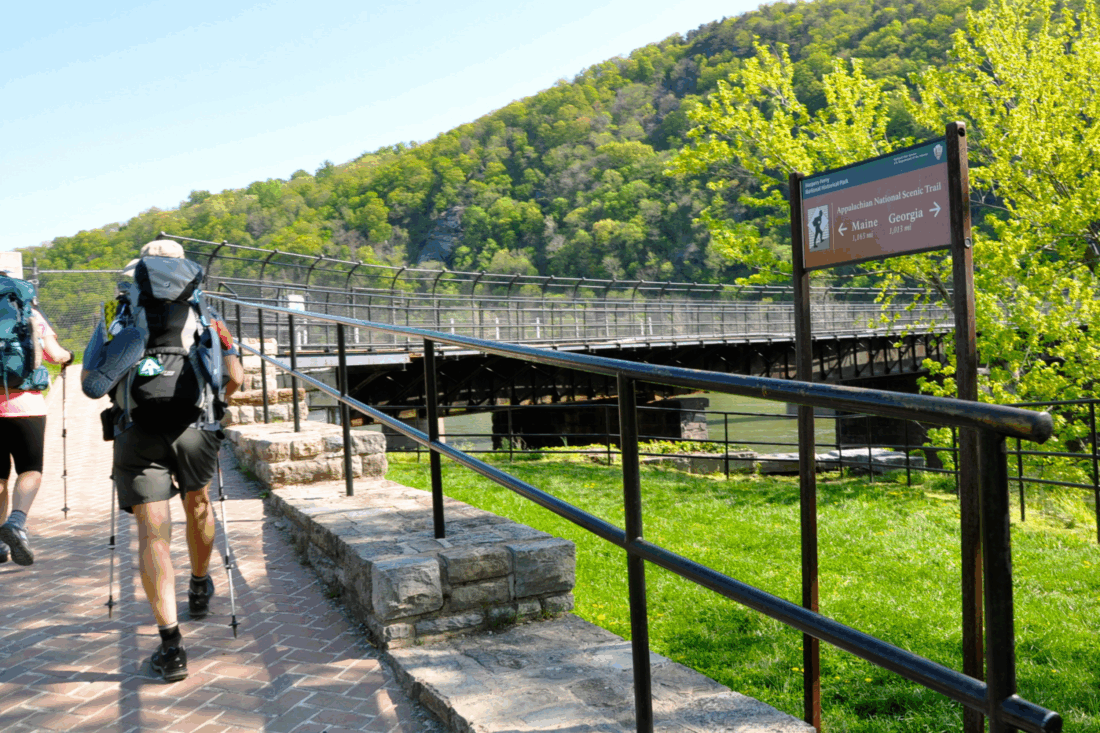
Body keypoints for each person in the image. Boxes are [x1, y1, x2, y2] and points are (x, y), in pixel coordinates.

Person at [83, 240, 243, 682]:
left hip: (137, 431)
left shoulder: (116, 315)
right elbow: (235, 376)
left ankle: (171, 648)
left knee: (153, 534)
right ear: (187, 271)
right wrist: (215, 404)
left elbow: (90, 377)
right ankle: (198, 584)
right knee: (199, 503)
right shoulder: (208, 314)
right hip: (194, 429)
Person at [0, 271, 74, 566]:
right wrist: (69, 356)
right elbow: (55, 355)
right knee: (30, 469)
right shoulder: (29, 312)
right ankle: (16, 523)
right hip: (26, 406)